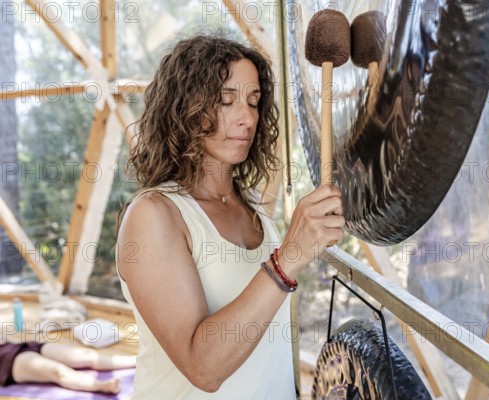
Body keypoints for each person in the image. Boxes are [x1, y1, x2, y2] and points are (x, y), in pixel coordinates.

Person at [115, 34, 345, 399]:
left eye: (253, 101)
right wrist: (289, 257)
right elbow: (203, 368)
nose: (247, 117)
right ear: (183, 108)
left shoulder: (249, 202)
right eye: (226, 100)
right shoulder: (154, 214)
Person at [0, 341, 136, 393]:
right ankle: (102, 386)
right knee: (58, 372)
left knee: (86, 355)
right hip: (7, 361)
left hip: (21, 346)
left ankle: (136, 360)